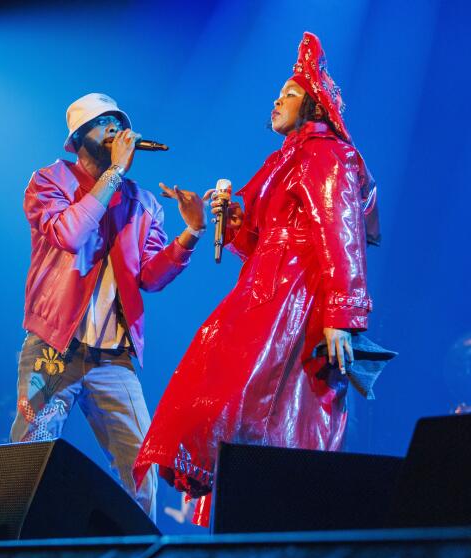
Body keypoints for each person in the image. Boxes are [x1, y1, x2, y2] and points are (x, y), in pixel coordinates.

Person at [133, 32, 381, 525]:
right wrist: (231, 222)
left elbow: (341, 233)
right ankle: (246, 516)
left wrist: (341, 314)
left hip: (296, 301)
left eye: (288, 94)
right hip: (265, 296)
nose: (276, 99)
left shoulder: (324, 153)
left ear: (312, 104)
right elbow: (262, 238)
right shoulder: (287, 157)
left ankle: (273, 523)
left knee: (267, 419)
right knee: (231, 410)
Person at [10, 93, 206, 519]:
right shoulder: (49, 181)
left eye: (120, 121)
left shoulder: (144, 201)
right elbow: (70, 235)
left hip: (114, 358)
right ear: (79, 136)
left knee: (141, 470)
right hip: (53, 350)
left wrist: (190, 233)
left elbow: (150, 278)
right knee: (28, 458)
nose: (117, 128)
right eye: (105, 122)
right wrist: (115, 171)